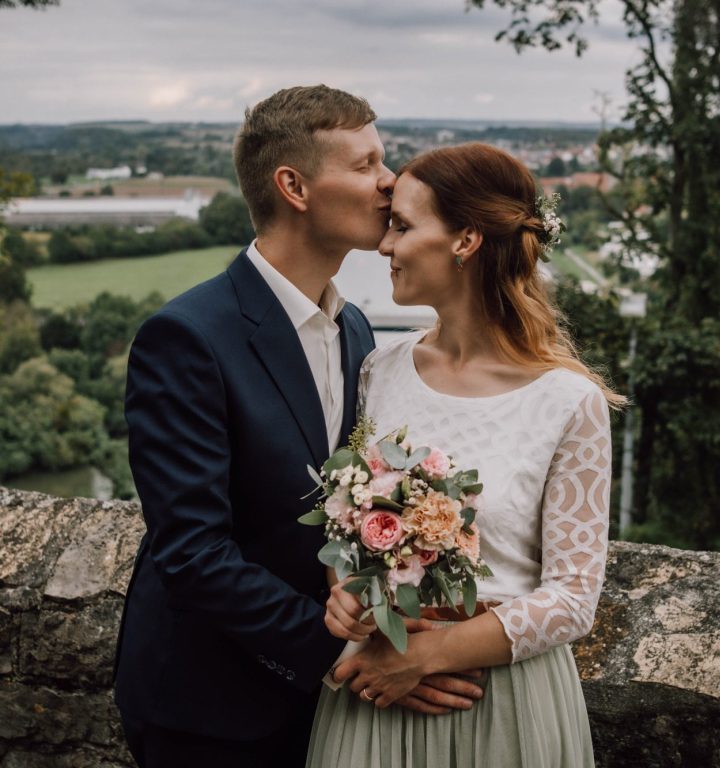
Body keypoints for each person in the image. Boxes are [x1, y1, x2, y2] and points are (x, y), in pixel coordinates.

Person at [113, 86, 481, 768]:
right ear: (294, 186)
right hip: (209, 709)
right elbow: (193, 554)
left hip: (318, 706)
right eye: (367, 163)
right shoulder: (187, 337)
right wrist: (350, 655)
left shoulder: (355, 327)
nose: (390, 182)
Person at [308, 142, 623, 768]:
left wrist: (425, 657)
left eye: (402, 225)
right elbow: (348, 527)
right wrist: (345, 593)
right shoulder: (379, 370)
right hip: (375, 691)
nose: (384, 246)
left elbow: (572, 597)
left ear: (465, 241)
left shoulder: (569, 401)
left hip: (497, 699)